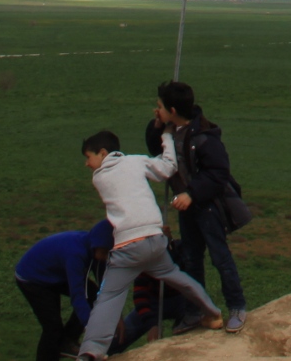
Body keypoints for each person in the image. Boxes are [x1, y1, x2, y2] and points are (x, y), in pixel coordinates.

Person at [75, 129, 220, 359]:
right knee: (176, 276)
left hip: (128, 246)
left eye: (88, 157)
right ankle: (212, 312)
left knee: (109, 297)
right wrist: (167, 137)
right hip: (155, 239)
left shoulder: (99, 177)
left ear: (102, 153)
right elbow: (168, 167)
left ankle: (91, 351)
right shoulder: (136, 161)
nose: (87, 164)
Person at [151, 81, 248, 333]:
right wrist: (157, 126)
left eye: (159, 106)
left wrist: (191, 194)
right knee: (191, 259)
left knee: (220, 257)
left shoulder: (204, 137)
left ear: (173, 110)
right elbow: (156, 151)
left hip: (207, 208)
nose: (156, 109)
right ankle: (195, 311)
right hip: (188, 210)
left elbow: (218, 173)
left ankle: (237, 307)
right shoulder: (170, 131)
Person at [13, 221, 111, 361]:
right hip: (32, 278)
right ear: (96, 245)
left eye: (109, 253)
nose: (106, 257)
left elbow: (103, 283)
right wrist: (91, 327)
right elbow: (78, 295)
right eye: (105, 253)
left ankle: (67, 342)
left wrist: (113, 313)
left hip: (56, 273)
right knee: (53, 327)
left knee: (93, 295)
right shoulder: (75, 254)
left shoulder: (94, 248)